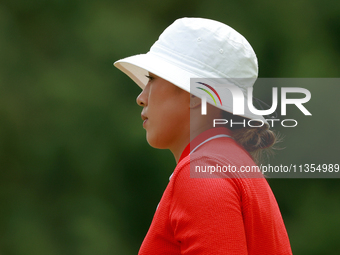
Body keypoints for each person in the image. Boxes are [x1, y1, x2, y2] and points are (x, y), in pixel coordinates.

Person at [114, 17, 292, 255]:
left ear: (197, 96)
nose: (141, 97)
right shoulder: (229, 164)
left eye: (152, 79)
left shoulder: (202, 173)